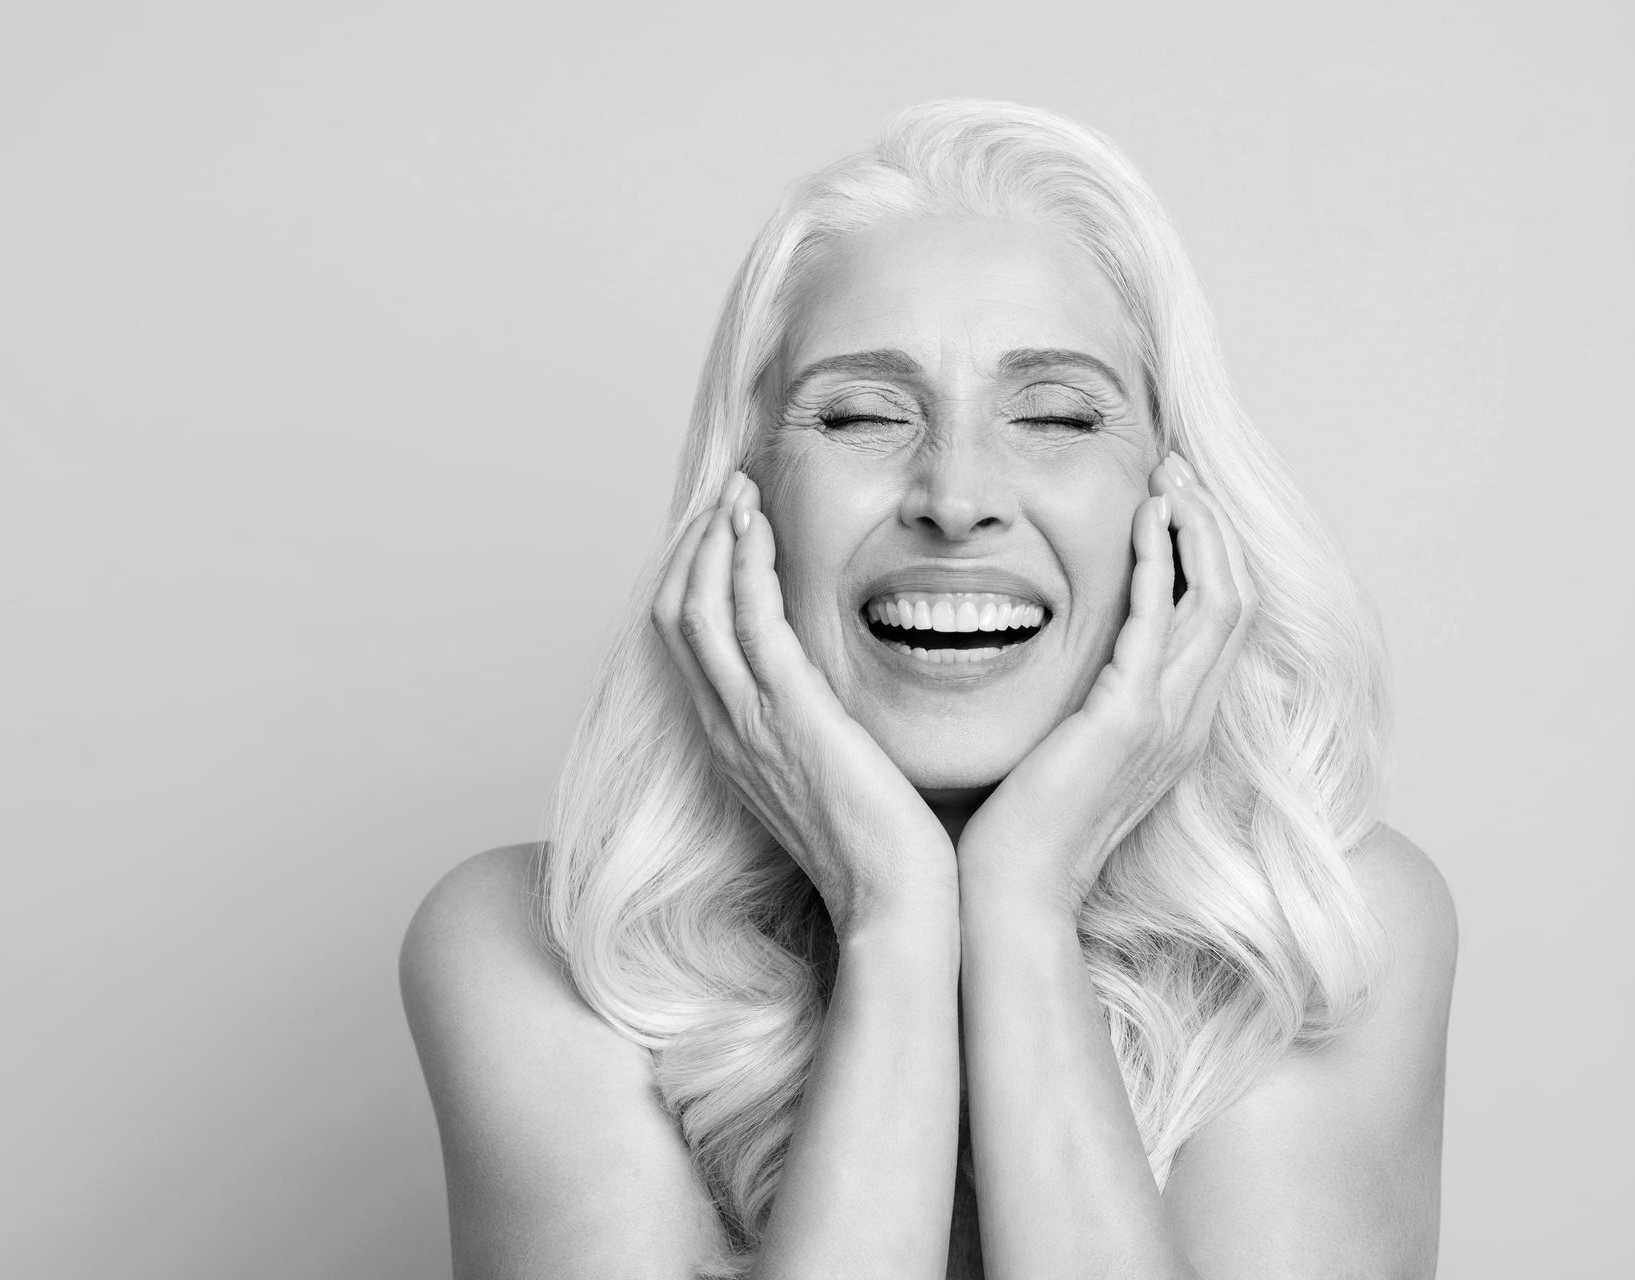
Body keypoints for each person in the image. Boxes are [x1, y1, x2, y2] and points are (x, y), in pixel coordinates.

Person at [401, 100, 1457, 1280]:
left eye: (1054, 413)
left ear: (1173, 512)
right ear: (746, 501)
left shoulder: (1325, 931)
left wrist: (1020, 904)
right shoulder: (527, 951)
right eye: (860, 414)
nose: (956, 497)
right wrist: (896, 915)